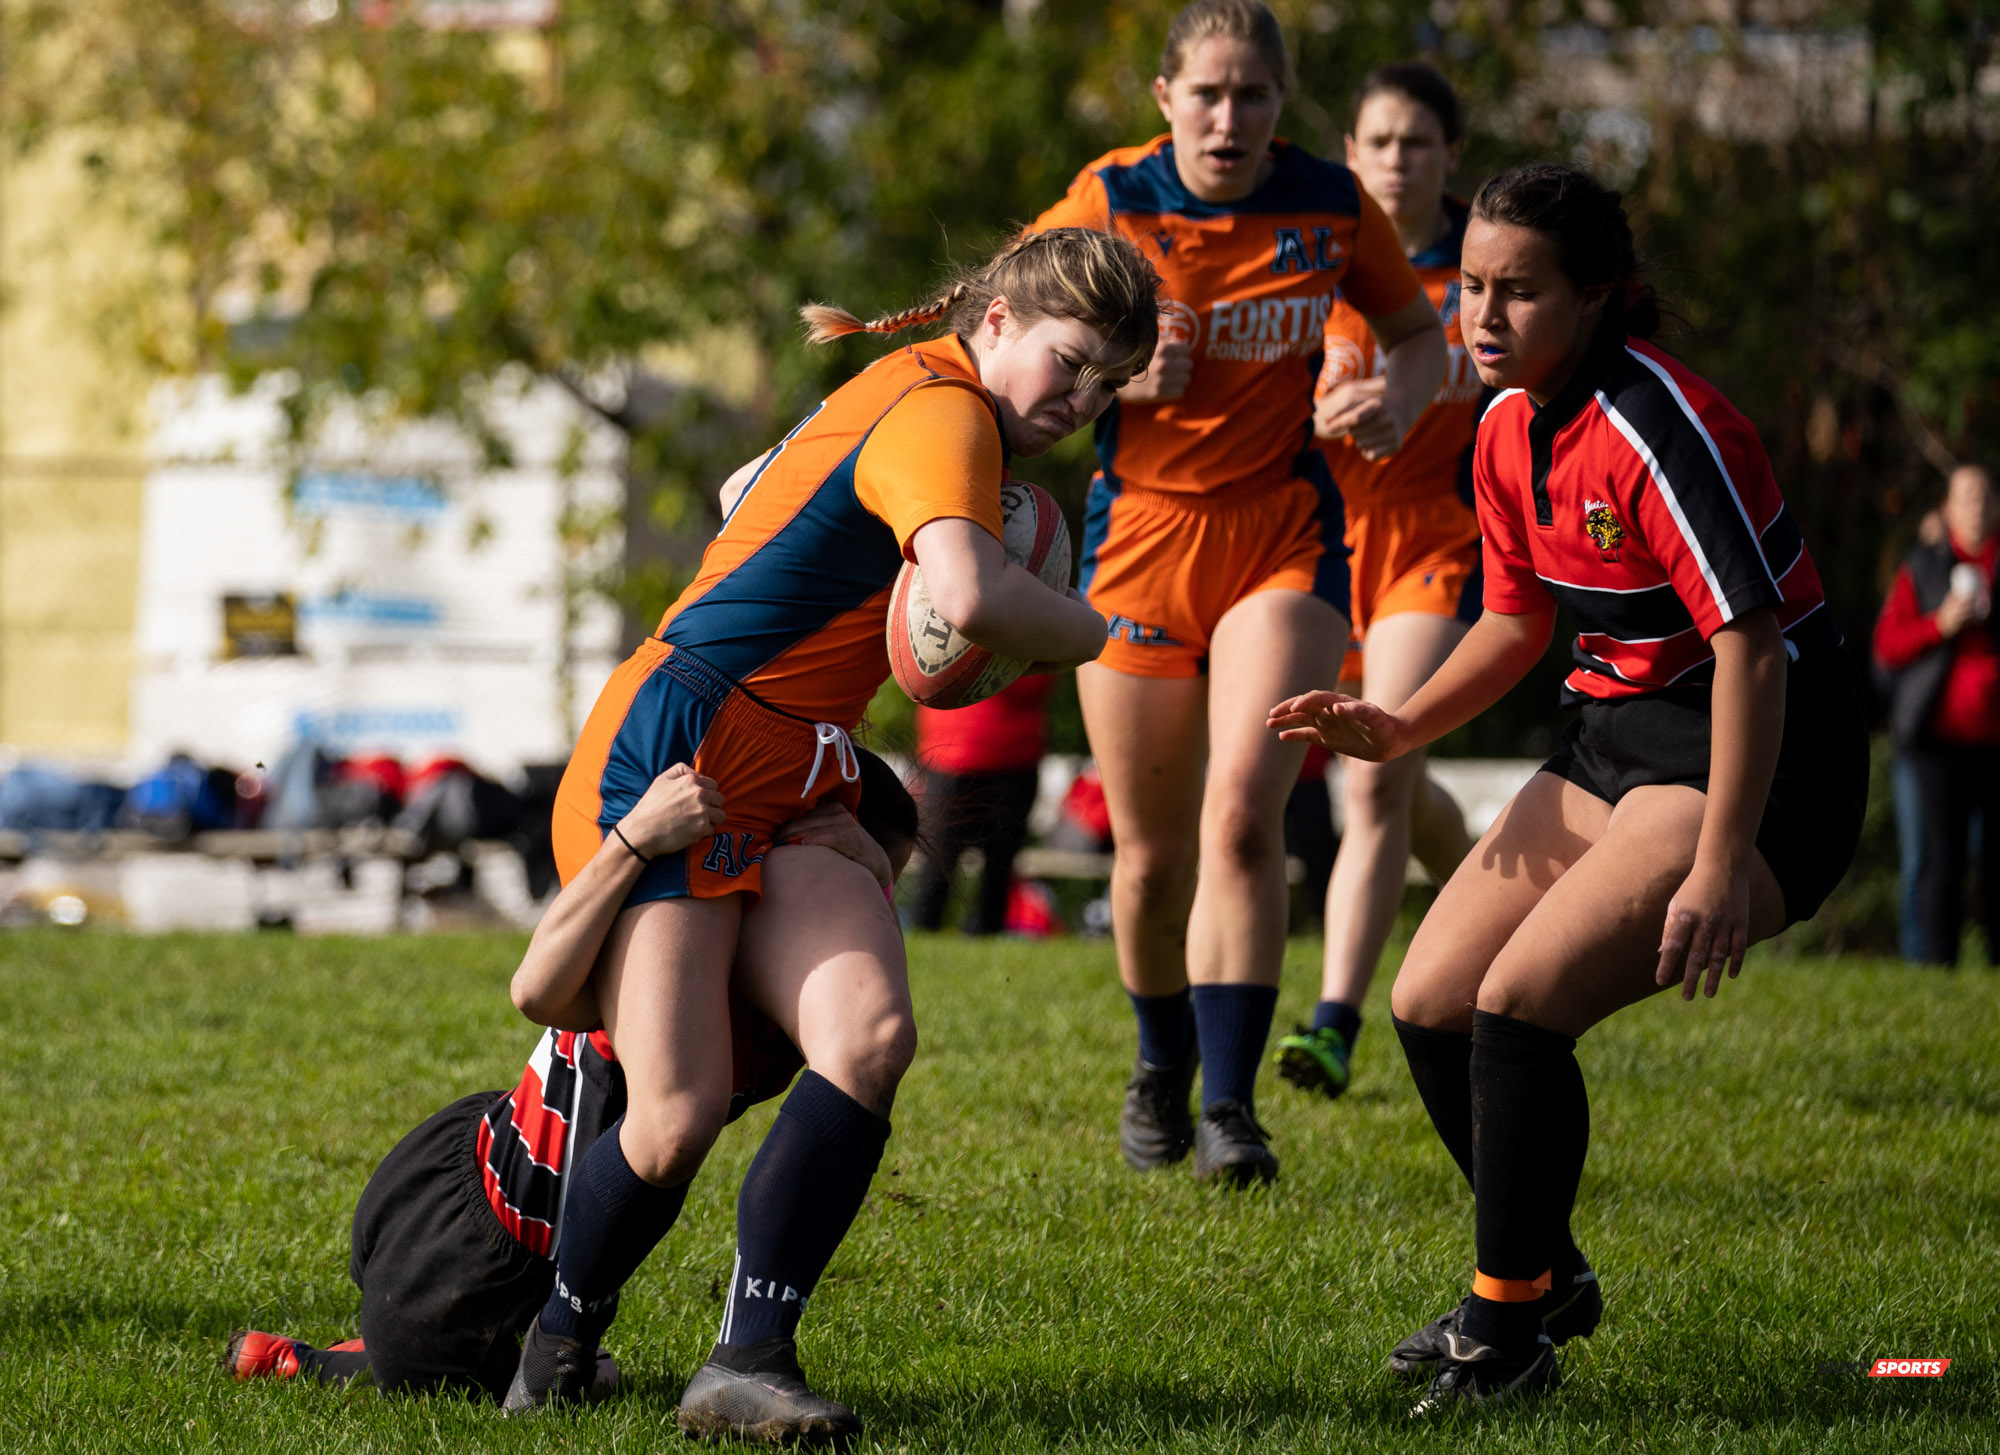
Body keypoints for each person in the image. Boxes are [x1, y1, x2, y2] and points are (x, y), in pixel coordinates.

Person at [510, 227, 1158, 1438]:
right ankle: (553, 1350)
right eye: (1070, 363)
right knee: (676, 1109)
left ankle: (746, 1358)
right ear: (997, 323)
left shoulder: (909, 393)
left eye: (1109, 383)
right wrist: (1103, 631)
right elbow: (965, 599)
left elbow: (739, 488)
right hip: (678, 744)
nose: (1081, 399)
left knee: (866, 1037)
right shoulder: (941, 410)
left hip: (795, 757)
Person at [1269, 162, 1866, 1408]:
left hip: (1755, 754)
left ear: (1598, 295)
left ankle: (1504, 1340)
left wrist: (1717, 864)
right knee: (1429, 1000)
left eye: (1520, 292)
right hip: (1617, 737)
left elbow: (1749, 647)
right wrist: (1394, 721)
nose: (1483, 317)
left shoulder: (1661, 424)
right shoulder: (1498, 425)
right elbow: (1513, 618)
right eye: (1472, 287)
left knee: (1518, 1003)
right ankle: (1541, 1276)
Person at [1033, 0, 1447, 1185]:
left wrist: (1400, 400)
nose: (1228, 117)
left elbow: (1416, 332)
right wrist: (1112, 374)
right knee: (1155, 858)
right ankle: (1160, 1060)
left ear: (1281, 102)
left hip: (1281, 536)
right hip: (1138, 544)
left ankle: (1230, 1109)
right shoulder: (1108, 200)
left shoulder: (1323, 200)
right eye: (1205, 94)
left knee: (1240, 816)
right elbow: (1006, 338)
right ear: (1163, 98)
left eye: (1252, 95)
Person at [224, 755, 916, 1407]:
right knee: (546, 1373)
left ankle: (306, 1355)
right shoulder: (689, 931)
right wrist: (634, 841)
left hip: (502, 1218)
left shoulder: (812, 1006)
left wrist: (870, 868)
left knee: (509, 1365)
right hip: (467, 1242)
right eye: (864, 887)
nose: (872, 917)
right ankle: (334, 1357)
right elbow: (533, 982)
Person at [1274, 63, 1483, 1100]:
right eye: (1377, 143)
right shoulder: (1313, 260)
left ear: (1449, 156)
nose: (1396, 161)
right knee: (1401, 788)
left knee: (1371, 771)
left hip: (1428, 543)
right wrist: (1317, 414)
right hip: (1314, 544)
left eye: (1416, 144)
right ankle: (1483, 875)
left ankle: (1331, 1024)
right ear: (1347, 156)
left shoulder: (1487, 274)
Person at [1873, 464, 2000, 965]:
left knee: (1994, 864)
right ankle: (1934, 967)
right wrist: (1939, 624)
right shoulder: (1922, 566)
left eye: (1987, 495)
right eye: (1966, 497)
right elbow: (1887, 646)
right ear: (1948, 509)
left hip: (1993, 744)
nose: (1977, 506)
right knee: (1937, 860)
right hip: (1934, 743)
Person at [909, 673, 1052, 934]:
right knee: (937, 866)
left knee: (999, 869)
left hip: (1015, 756)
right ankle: (921, 935)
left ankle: (985, 934)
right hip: (951, 755)